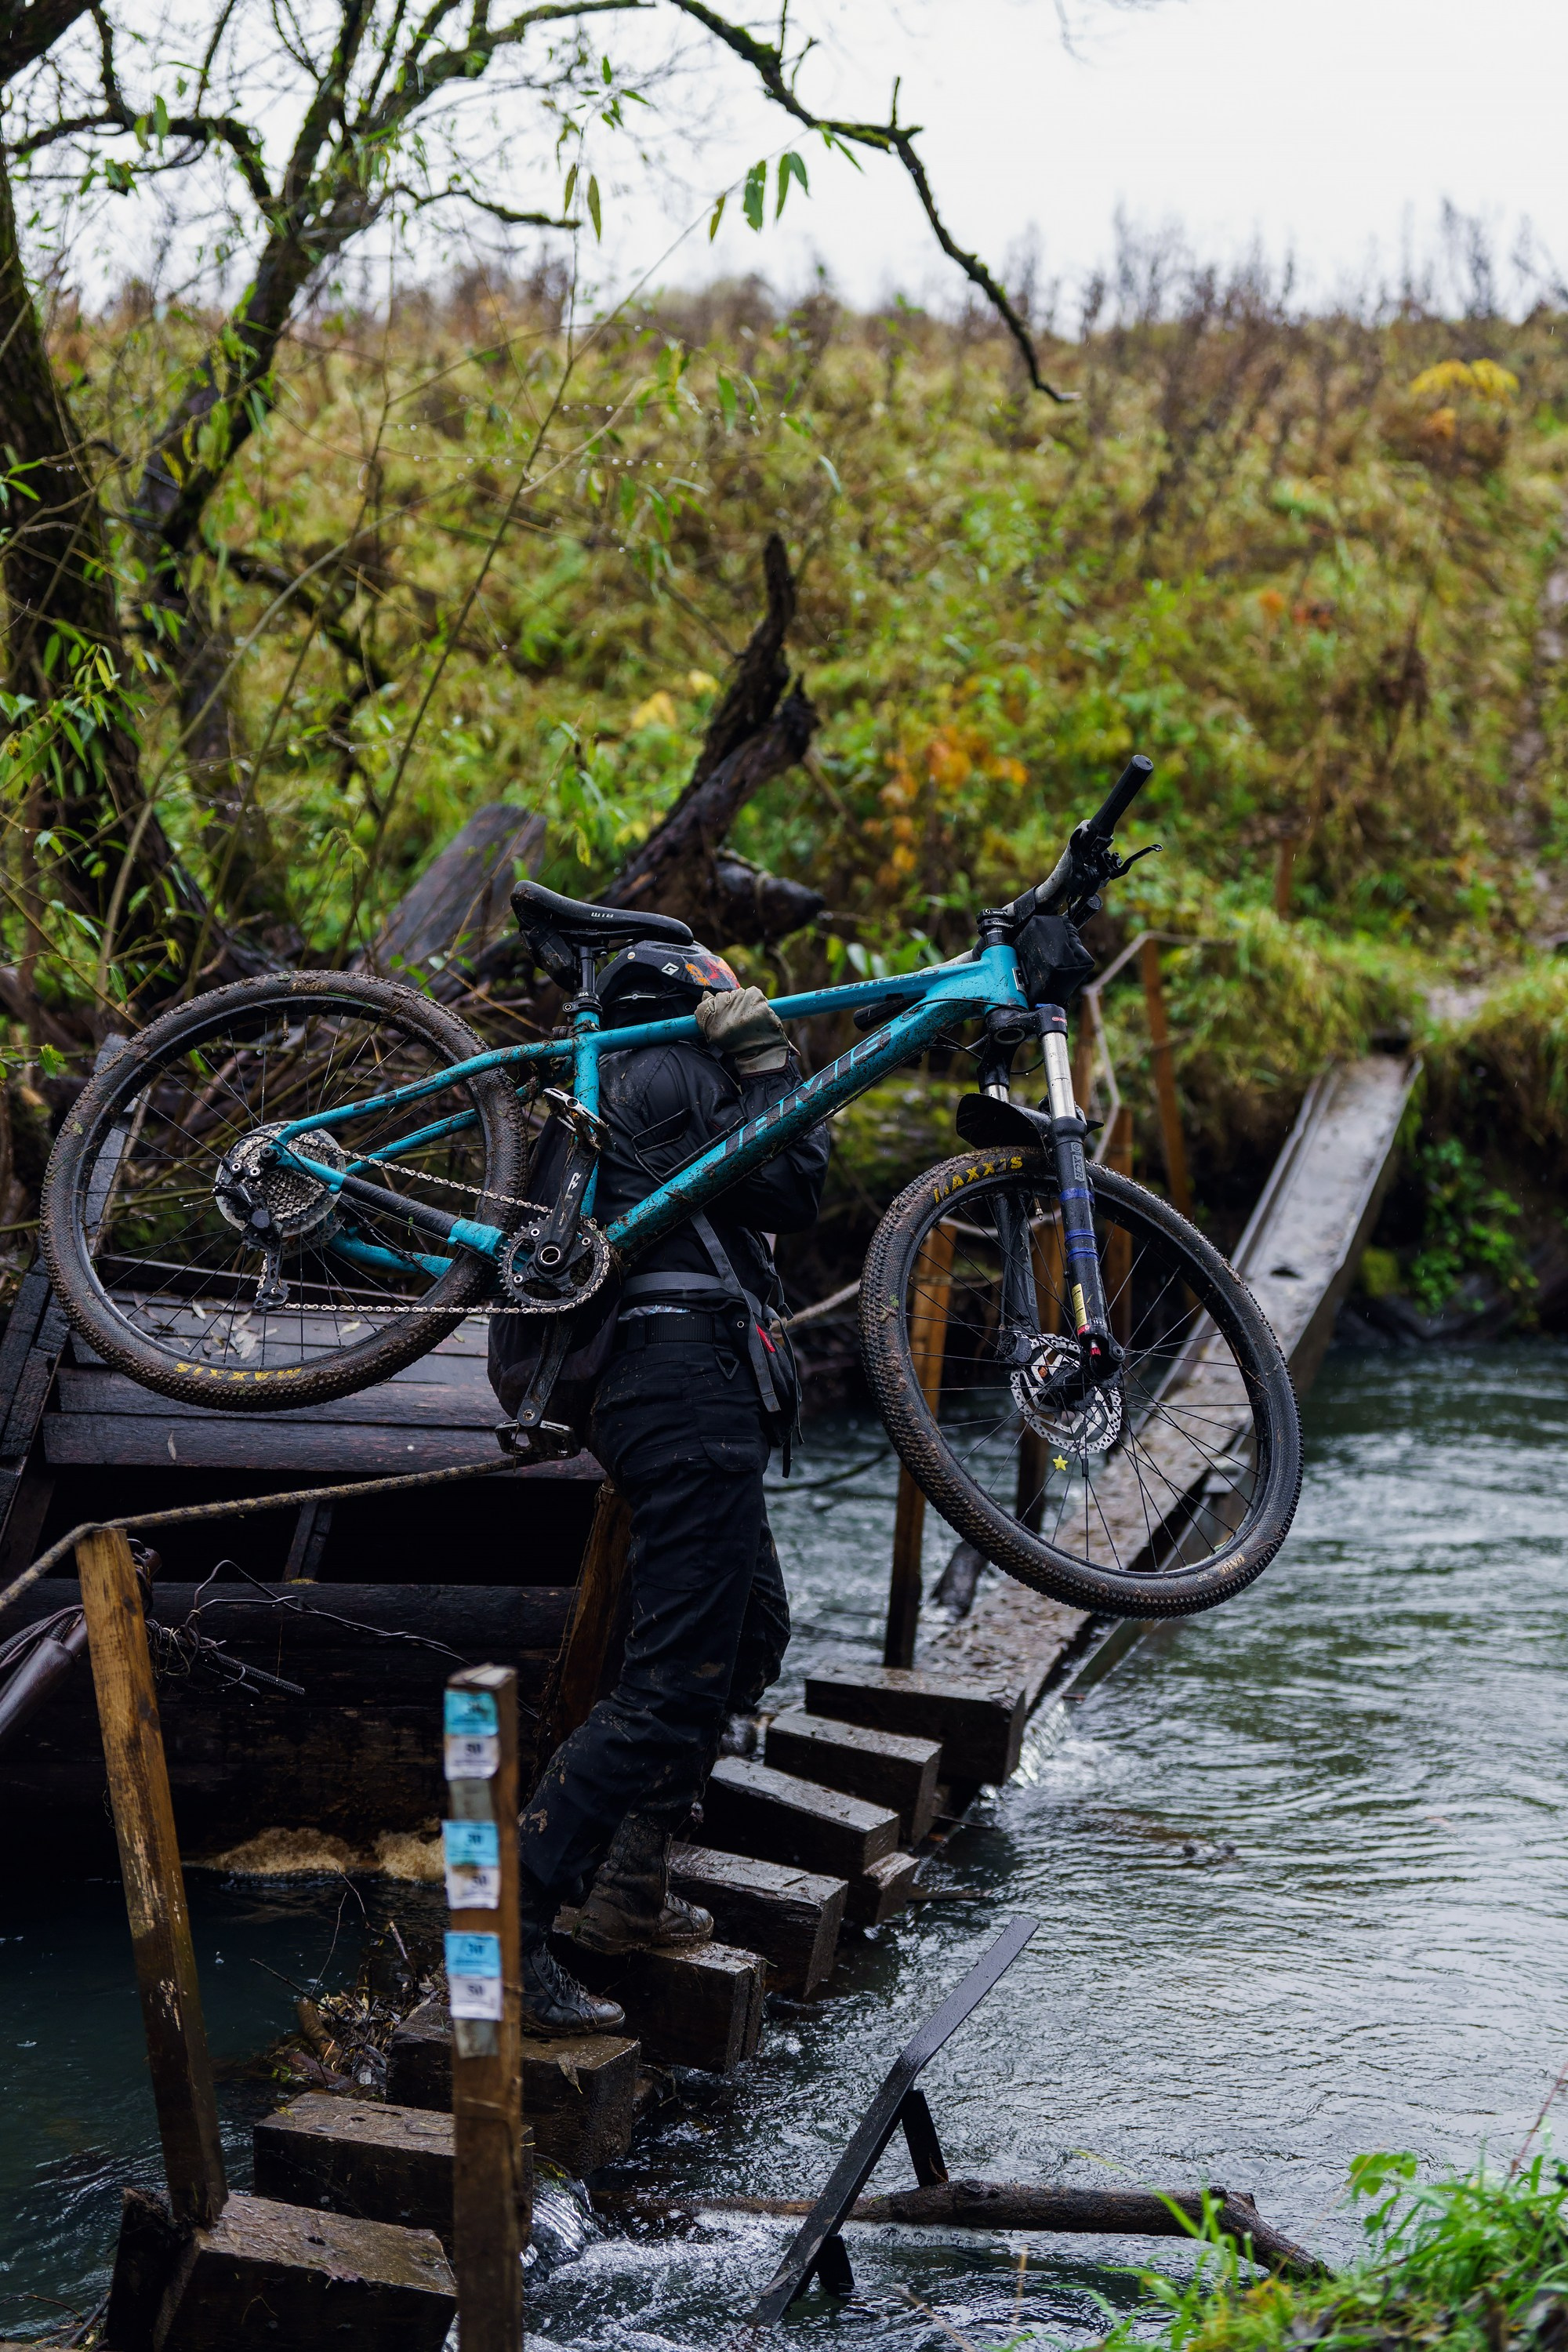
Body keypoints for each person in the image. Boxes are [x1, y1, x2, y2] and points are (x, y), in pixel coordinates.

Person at [491, 942, 830, 2034]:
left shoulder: (612, 1089)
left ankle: (629, 1884)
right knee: (675, 1681)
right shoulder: (674, 1074)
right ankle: (511, 1929)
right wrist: (773, 1068)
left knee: (750, 1632)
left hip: (664, 1385)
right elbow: (791, 1181)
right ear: (693, 1007)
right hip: (684, 1382)